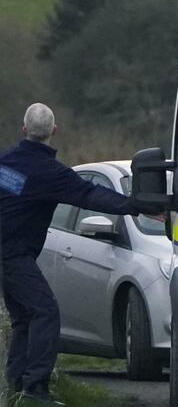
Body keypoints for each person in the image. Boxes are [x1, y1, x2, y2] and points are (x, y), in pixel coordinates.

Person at [0, 104, 153, 405]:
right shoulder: (50, 172)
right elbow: (91, 194)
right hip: (13, 254)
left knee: (25, 317)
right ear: (55, 131)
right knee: (45, 312)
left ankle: (17, 387)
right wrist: (136, 206)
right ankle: (35, 390)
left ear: (24, 129)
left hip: (10, 253)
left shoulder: (5, 163)